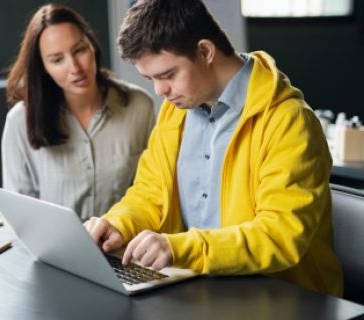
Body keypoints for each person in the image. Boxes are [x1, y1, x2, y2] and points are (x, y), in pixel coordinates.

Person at [84, 0, 342, 297]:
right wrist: (118, 223)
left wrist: (179, 248)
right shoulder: (176, 112)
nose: (159, 91)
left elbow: (280, 234)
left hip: (285, 298)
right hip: (204, 289)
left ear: (205, 51)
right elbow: (150, 192)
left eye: (167, 75)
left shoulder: (289, 121)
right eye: (150, 79)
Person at [3, 4, 155, 219]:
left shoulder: (139, 105)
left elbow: (152, 191)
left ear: (92, 45)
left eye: (79, 50)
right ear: (43, 68)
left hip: (125, 247)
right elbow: (18, 211)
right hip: (54, 249)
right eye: (57, 60)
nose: (75, 67)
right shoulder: (20, 121)